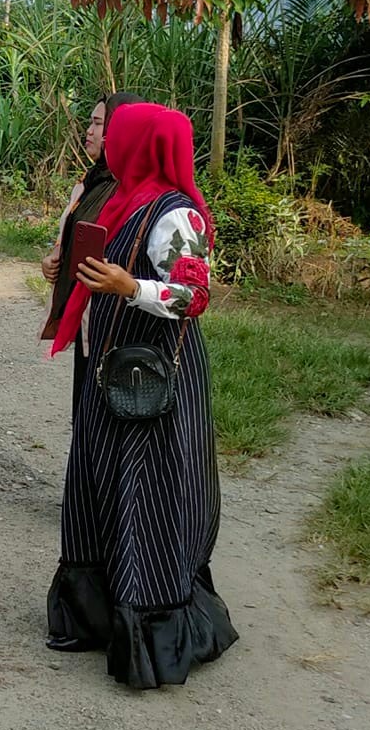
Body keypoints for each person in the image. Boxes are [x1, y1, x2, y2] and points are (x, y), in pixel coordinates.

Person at [45, 101, 236, 689]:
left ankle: (150, 627)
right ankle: (95, 614)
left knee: (145, 493)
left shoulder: (176, 215)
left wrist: (131, 287)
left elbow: (195, 297)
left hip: (153, 381)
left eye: (117, 136)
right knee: (99, 483)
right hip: (113, 370)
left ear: (142, 146)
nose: (107, 143)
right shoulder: (124, 199)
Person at [40, 90, 142, 395]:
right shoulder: (90, 182)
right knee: (85, 407)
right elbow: (73, 236)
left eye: (98, 124)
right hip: (86, 316)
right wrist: (54, 260)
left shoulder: (132, 192)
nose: (89, 131)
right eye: (91, 123)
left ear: (119, 130)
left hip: (116, 323)